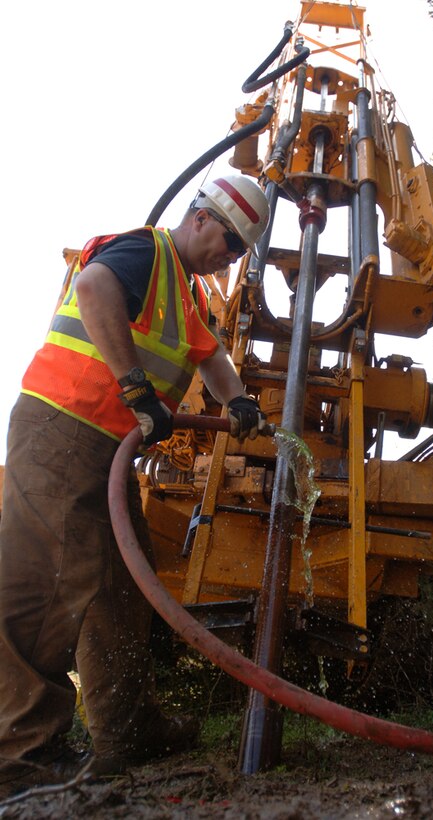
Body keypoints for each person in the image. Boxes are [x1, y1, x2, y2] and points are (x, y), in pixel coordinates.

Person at [0, 175, 270, 793]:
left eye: (239, 252)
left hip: (105, 447)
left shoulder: (188, 292)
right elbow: (93, 288)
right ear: (201, 218)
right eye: (230, 243)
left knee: (124, 588)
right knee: (48, 584)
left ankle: (128, 729)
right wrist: (136, 386)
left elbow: (210, 354)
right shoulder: (147, 251)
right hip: (64, 430)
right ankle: (20, 757)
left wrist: (240, 400)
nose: (231, 258)